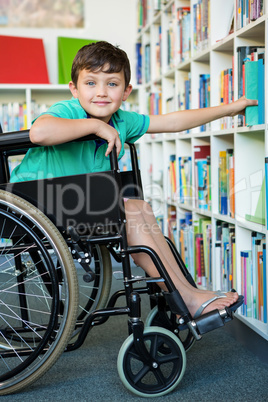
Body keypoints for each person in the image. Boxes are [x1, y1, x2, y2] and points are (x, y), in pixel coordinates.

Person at [10, 41, 257, 318]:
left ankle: (185, 291)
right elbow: (39, 133)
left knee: (139, 208)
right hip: (30, 203)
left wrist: (229, 109)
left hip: (71, 201)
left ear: (126, 91)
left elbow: (172, 122)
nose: (101, 92)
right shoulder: (68, 110)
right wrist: (95, 125)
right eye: (91, 83)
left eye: (112, 84)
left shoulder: (122, 120)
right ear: (74, 89)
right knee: (129, 212)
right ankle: (185, 297)